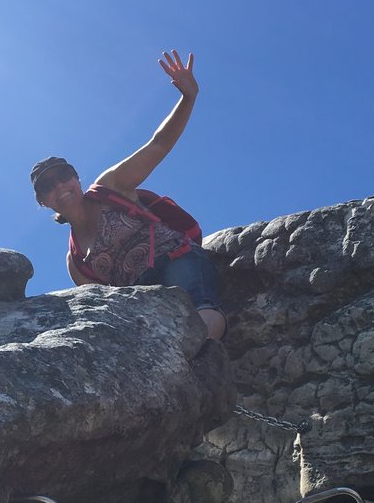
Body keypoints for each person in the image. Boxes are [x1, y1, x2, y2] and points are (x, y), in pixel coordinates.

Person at [30, 50, 227, 340]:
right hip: (142, 298)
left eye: (64, 176)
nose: (60, 186)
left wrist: (188, 98)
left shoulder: (109, 187)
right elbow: (103, 304)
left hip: (175, 259)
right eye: (49, 186)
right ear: (43, 201)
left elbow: (158, 145)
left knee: (198, 308)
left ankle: (209, 355)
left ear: (76, 178)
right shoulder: (75, 261)